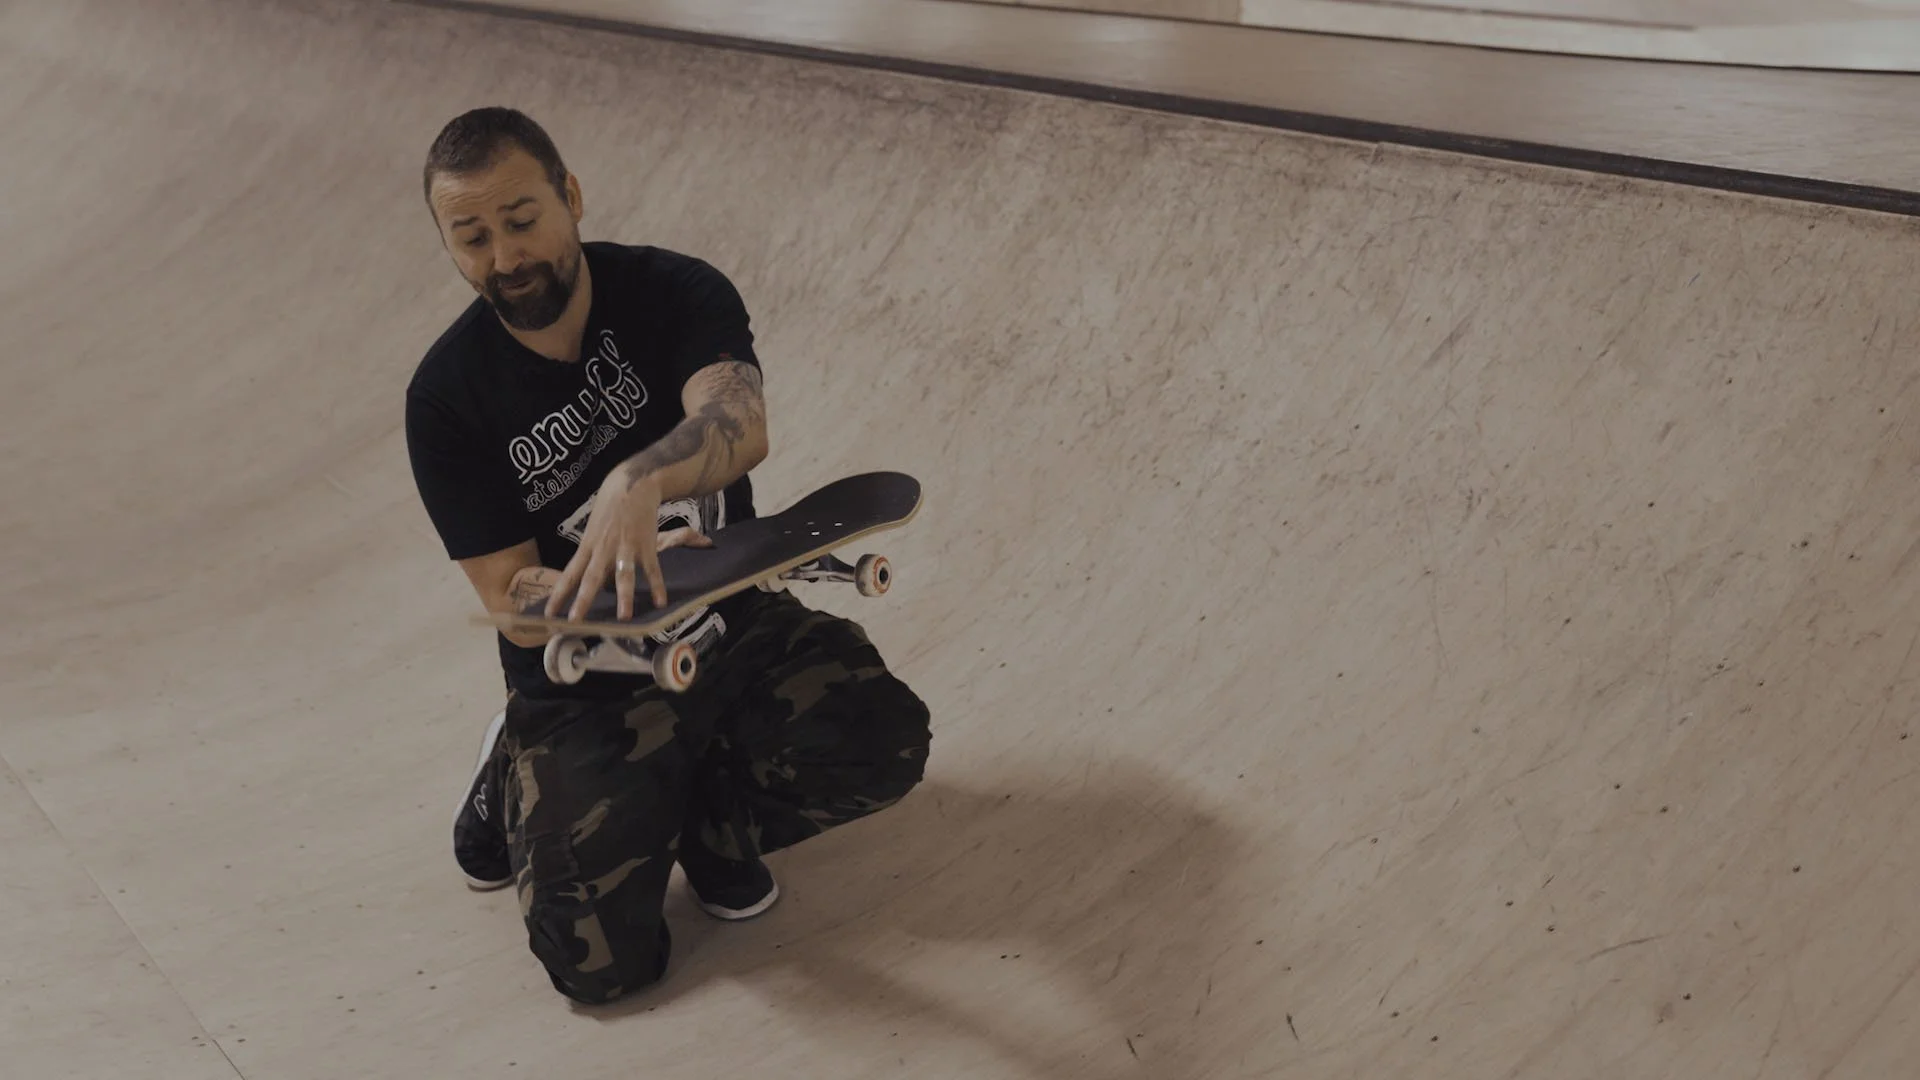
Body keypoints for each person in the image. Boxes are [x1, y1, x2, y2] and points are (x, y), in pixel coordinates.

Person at [403, 107, 932, 1004]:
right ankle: (510, 770)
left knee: (882, 742)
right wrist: (603, 589)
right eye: (473, 238)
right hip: (585, 684)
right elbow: (506, 592)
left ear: (571, 196)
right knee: (599, 968)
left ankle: (713, 822)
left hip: (732, 626)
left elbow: (740, 421)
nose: (506, 257)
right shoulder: (447, 398)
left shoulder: (672, 290)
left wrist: (640, 480)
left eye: (522, 220)